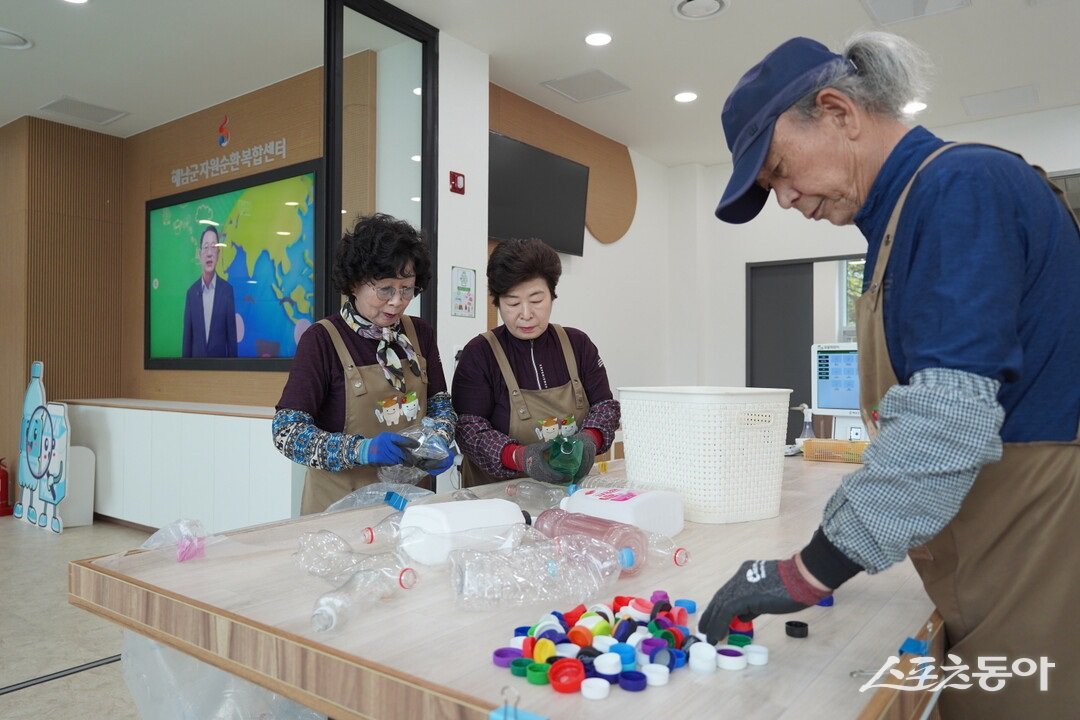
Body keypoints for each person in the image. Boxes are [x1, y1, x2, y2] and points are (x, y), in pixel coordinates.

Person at [703, 33, 1079, 718]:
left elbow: (946, 422)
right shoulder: (901, 219)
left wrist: (807, 572)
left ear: (840, 112)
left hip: (1036, 551)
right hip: (986, 551)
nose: (784, 199)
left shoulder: (959, 188)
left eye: (779, 169)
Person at [273, 214, 456, 513]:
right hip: (339, 508)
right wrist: (362, 449)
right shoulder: (322, 339)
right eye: (385, 289)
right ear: (355, 284)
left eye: (407, 288)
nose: (397, 301)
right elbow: (287, 433)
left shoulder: (419, 333)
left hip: (409, 503)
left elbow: (439, 404)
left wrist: (440, 437)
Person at [452, 238, 620, 487]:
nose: (526, 314)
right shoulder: (479, 354)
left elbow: (605, 407)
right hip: (498, 498)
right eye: (512, 303)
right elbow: (469, 430)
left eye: (536, 299)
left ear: (552, 295)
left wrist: (589, 439)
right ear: (497, 302)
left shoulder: (578, 344)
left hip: (567, 491)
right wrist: (521, 457)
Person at [182, 226, 238, 357]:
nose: (209, 253)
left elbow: (232, 342)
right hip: (195, 373)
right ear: (200, 254)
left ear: (218, 254)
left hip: (220, 374)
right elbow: (187, 342)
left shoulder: (227, 291)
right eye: (206, 247)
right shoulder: (191, 293)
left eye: (213, 247)